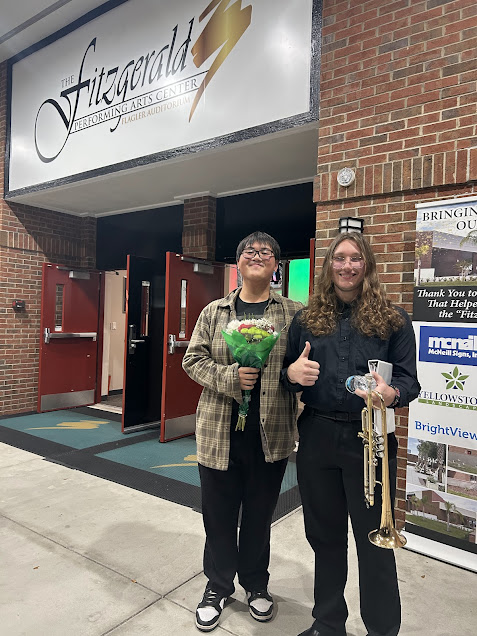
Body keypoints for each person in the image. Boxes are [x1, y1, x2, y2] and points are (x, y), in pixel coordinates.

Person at [281, 232, 420, 636]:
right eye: (339, 258)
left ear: (367, 264)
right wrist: (292, 374)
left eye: (355, 258)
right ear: (328, 266)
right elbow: (286, 375)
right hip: (317, 435)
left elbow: (410, 382)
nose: (346, 266)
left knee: (375, 541)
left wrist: (391, 393)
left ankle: (381, 629)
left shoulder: (394, 320)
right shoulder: (306, 320)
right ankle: (327, 624)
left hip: (371, 439)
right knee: (324, 537)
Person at [182, 231, 302, 632]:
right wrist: (230, 377)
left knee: (258, 516)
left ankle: (255, 583)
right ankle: (217, 586)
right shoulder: (214, 312)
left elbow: (302, 368)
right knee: (218, 516)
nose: (258, 255)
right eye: (250, 250)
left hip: (271, 433)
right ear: (239, 263)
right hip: (219, 432)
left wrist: (291, 374)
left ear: (276, 265)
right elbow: (192, 360)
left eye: (267, 251)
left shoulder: (293, 314)